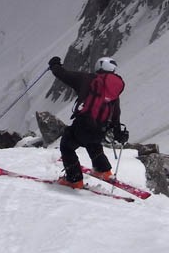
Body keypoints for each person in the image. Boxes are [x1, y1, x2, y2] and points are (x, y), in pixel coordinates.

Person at [48, 55, 129, 189]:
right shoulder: (114, 91)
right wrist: (117, 131)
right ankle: (103, 171)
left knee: (67, 146)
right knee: (93, 144)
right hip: (101, 128)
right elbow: (116, 113)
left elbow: (63, 74)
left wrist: (54, 64)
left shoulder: (87, 79)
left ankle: (74, 180)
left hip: (83, 125)